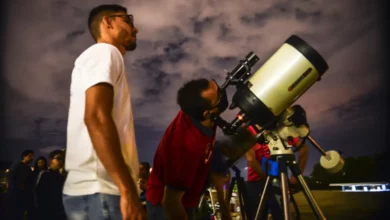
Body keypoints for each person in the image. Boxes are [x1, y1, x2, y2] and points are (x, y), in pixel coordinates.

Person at [62, 4, 145, 220]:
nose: (135, 29)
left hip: (93, 192)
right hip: (103, 192)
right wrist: (127, 189)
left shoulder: (99, 56)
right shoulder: (105, 52)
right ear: (108, 22)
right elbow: (96, 118)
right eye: (128, 21)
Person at [146, 78, 232, 220]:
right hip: (166, 208)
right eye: (219, 96)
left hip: (186, 198)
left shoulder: (197, 113)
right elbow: (170, 202)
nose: (223, 93)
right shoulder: (186, 148)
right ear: (208, 113)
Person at [245, 107, 310, 220]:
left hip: (259, 182)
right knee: (280, 215)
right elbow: (303, 149)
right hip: (272, 180)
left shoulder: (250, 129)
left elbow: (251, 160)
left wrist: (294, 176)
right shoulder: (281, 128)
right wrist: (296, 175)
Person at [35, 150, 67, 220]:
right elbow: (37, 193)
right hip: (45, 212)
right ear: (51, 160)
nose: (61, 161)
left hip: (59, 213)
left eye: (62, 159)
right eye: (58, 158)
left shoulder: (62, 176)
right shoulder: (44, 174)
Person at [6, 149, 35, 220]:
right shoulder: (17, 165)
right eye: (30, 156)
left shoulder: (28, 168)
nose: (32, 158)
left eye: (32, 156)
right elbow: (10, 178)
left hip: (24, 196)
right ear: (24, 156)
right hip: (16, 196)